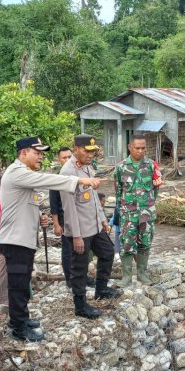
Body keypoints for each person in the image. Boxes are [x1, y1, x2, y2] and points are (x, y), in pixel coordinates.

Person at [0, 136, 101, 342]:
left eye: (41, 153)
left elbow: (24, 203)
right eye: (37, 153)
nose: (40, 157)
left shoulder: (23, 173)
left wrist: (38, 217)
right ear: (23, 152)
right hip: (15, 240)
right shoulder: (17, 172)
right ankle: (18, 327)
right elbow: (48, 180)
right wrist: (79, 180)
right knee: (18, 285)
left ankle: (20, 318)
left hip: (23, 239)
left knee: (22, 281)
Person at [60, 134, 119, 319]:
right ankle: (80, 305)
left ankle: (101, 289)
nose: (90, 155)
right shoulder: (68, 172)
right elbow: (69, 209)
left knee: (108, 252)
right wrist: (76, 236)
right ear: (75, 148)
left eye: (93, 151)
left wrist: (102, 219)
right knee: (80, 267)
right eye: (87, 151)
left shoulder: (86, 166)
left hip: (94, 225)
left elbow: (93, 197)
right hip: (80, 230)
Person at [115, 135, 163, 286]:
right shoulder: (121, 167)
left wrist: (147, 206)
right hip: (128, 215)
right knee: (127, 245)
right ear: (130, 147)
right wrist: (123, 209)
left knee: (145, 244)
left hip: (146, 214)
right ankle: (126, 277)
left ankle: (142, 274)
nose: (141, 151)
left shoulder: (151, 166)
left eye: (143, 148)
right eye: (137, 148)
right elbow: (118, 192)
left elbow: (155, 190)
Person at [49, 146, 74, 285]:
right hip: (64, 220)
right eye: (64, 157)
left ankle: (81, 276)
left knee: (81, 251)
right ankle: (69, 279)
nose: (67, 160)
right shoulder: (56, 179)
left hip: (79, 219)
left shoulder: (77, 175)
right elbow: (53, 204)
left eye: (70, 157)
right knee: (68, 250)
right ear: (59, 160)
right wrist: (56, 224)